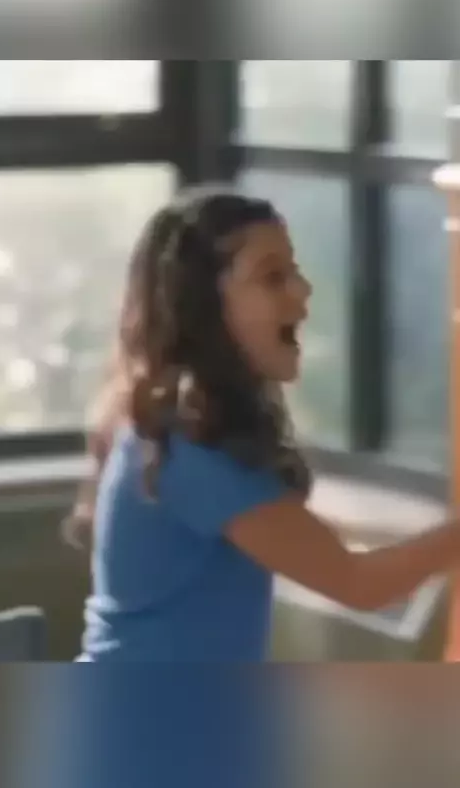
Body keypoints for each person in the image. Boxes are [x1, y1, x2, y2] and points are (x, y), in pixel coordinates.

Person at [69, 186, 460, 663]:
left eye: (293, 271)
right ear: (203, 306)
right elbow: (359, 584)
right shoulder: (190, 447)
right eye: (273, 277)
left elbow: (294, 527)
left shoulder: (177, 422)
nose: (303, 290)